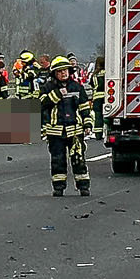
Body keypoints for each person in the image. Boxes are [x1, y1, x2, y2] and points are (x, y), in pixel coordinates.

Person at [41, 55, 96, 196]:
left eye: (65, 70)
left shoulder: (77, 87)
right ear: (54, 73)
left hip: (75, 131)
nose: (63, 73)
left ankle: (83, 186)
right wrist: (57, 94)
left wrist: (87, 124)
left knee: (79, 160)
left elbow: (84, 108)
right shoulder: (47, 88)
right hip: (55, 132)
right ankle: (58, 187)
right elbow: (41, 105)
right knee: (57, 161)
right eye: (59, 71)